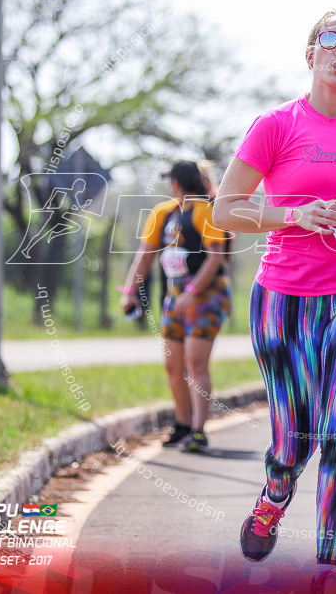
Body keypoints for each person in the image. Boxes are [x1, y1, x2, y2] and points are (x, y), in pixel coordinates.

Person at [213, 10, 336, 592]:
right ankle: (275, 493)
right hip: (285, 299)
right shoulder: (275, 126)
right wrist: (292, 214)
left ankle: (327, 566)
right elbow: (225, 210)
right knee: (294, 439)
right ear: (311, 54)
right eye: (330, 41)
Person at [120, 160, 232, 453]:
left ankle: (198, 430)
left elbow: (216, 257)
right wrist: (130, 291)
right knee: (173, 364)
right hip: (174, 295)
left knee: (195, 362)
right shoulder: (163, 213)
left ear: (177, 183)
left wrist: (193, 292)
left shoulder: (205, 210)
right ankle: (182, 424)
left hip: (206, 294)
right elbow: (144, 256)